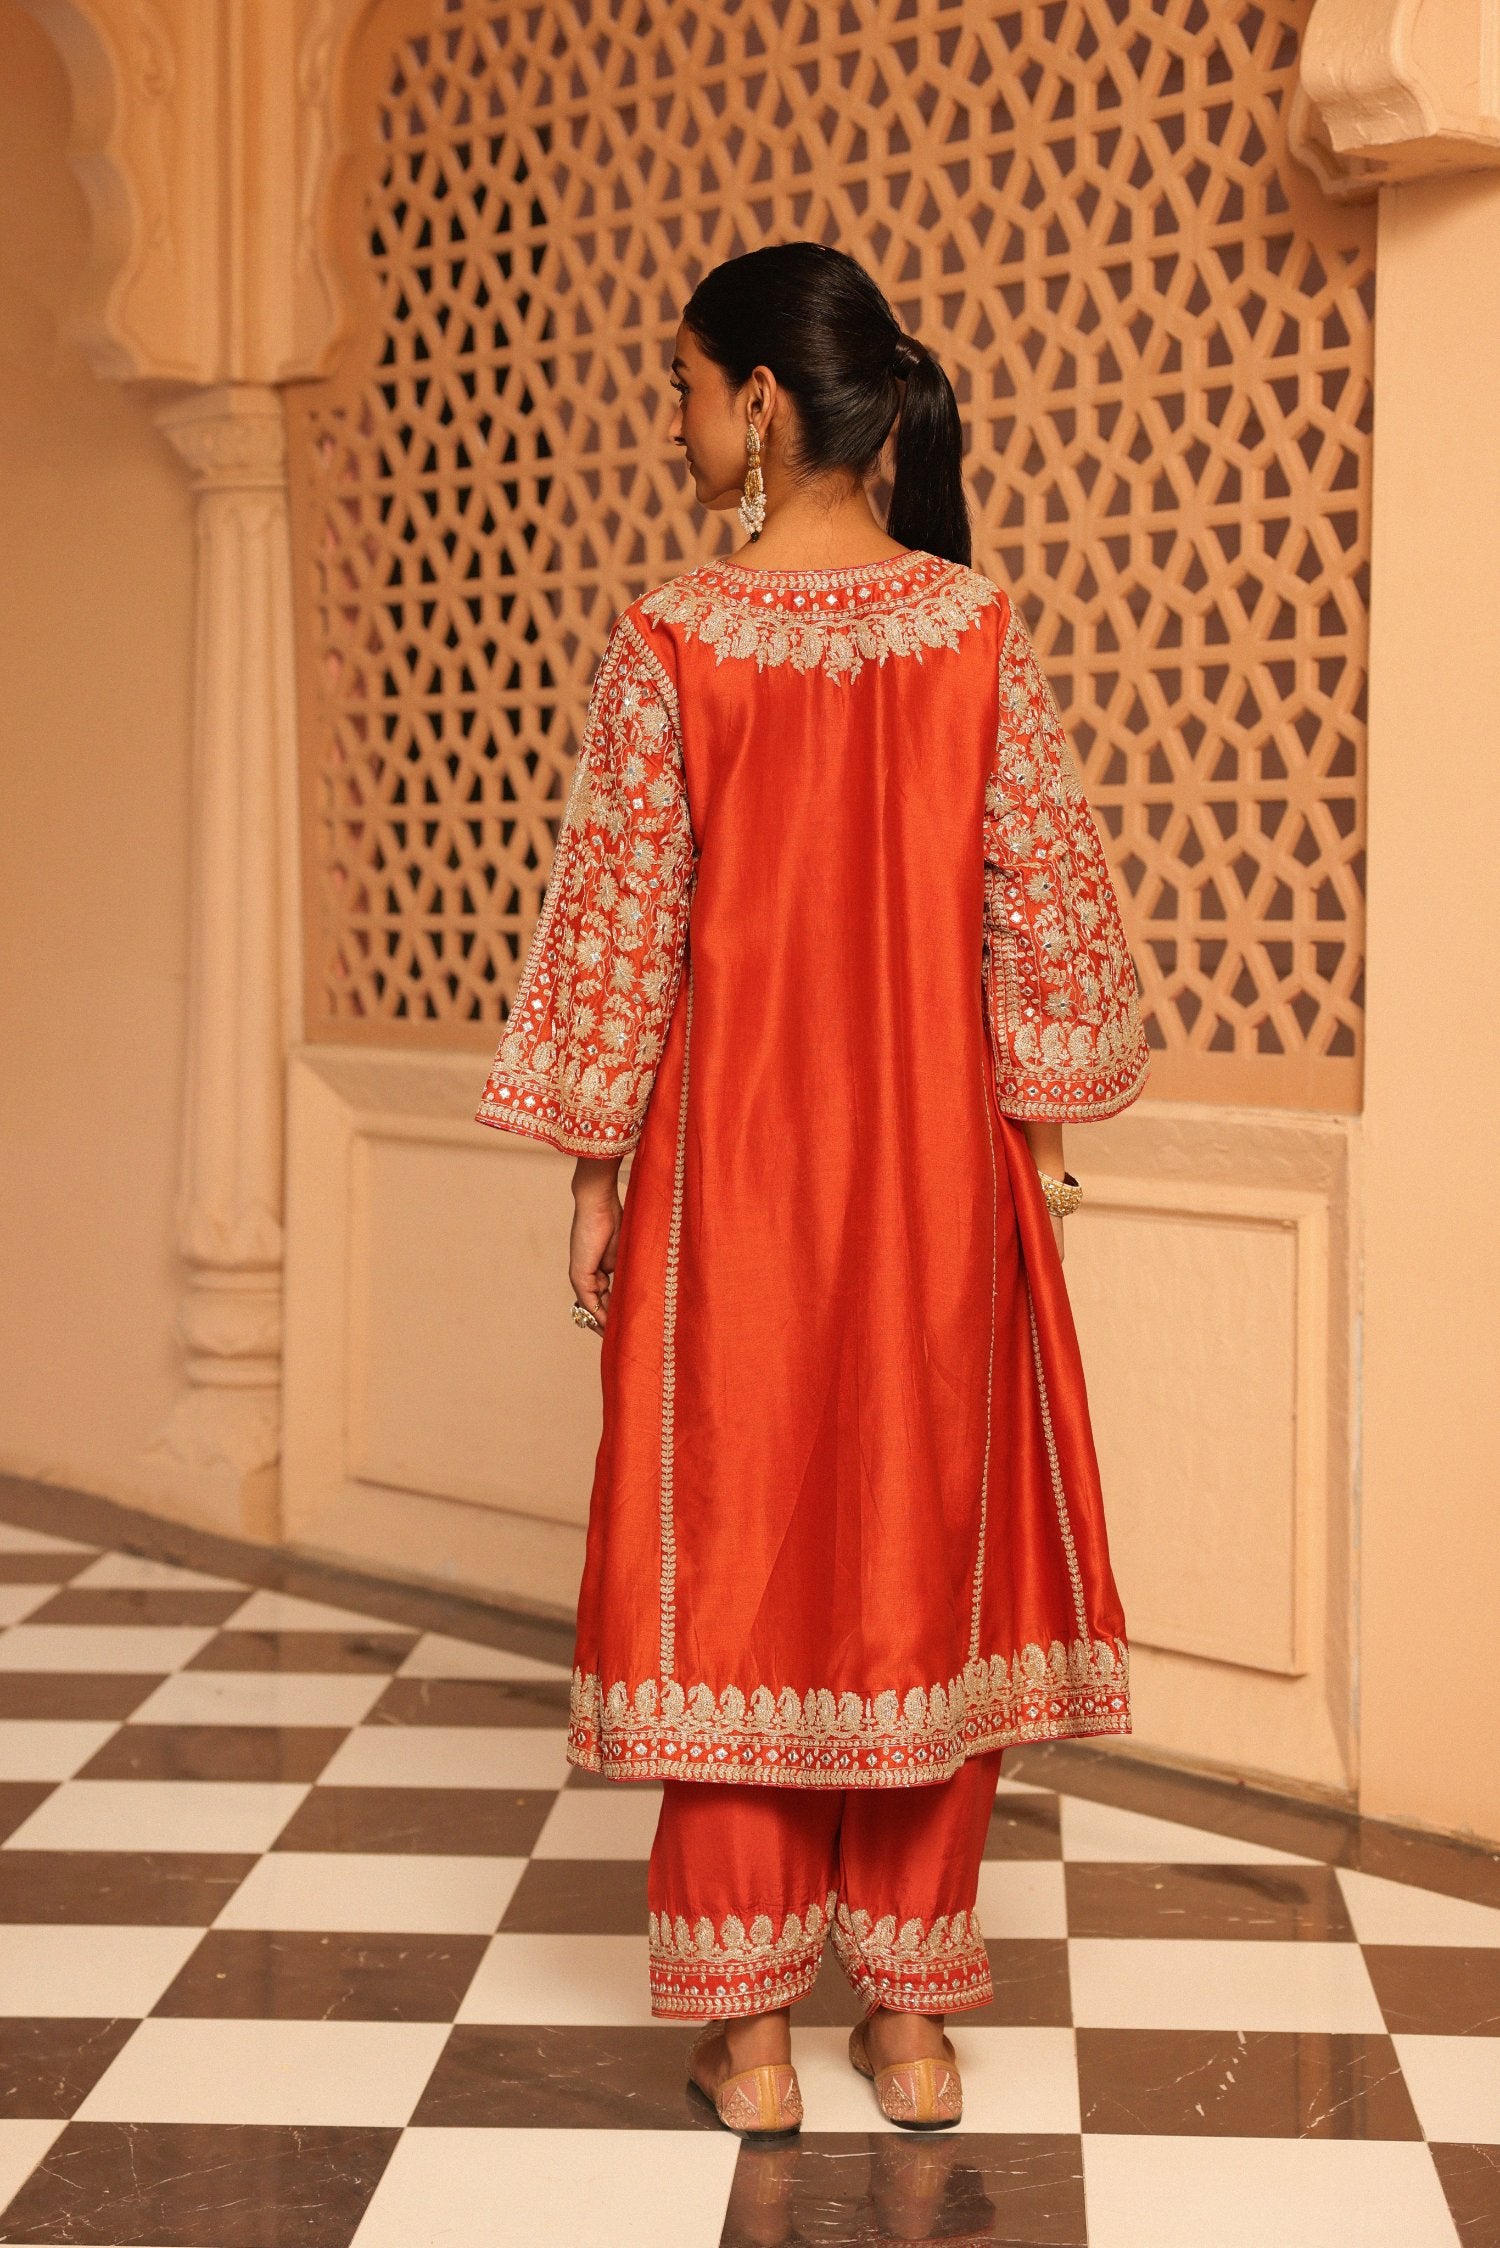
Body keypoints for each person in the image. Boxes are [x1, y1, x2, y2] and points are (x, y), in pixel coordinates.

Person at [476, 241, 1149, 2136]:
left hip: (735, 1191)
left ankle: (753, 2038)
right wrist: (1039, 1167)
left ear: (761, 400)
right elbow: (1047, 918)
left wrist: (597, 1176)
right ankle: (912, 2028)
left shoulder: (674, 636)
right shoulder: (976, 627)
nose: (676, 424)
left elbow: (622, 925)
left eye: (684, 387)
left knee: (737, 1563)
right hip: (943, 1182)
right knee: (923, 1557)